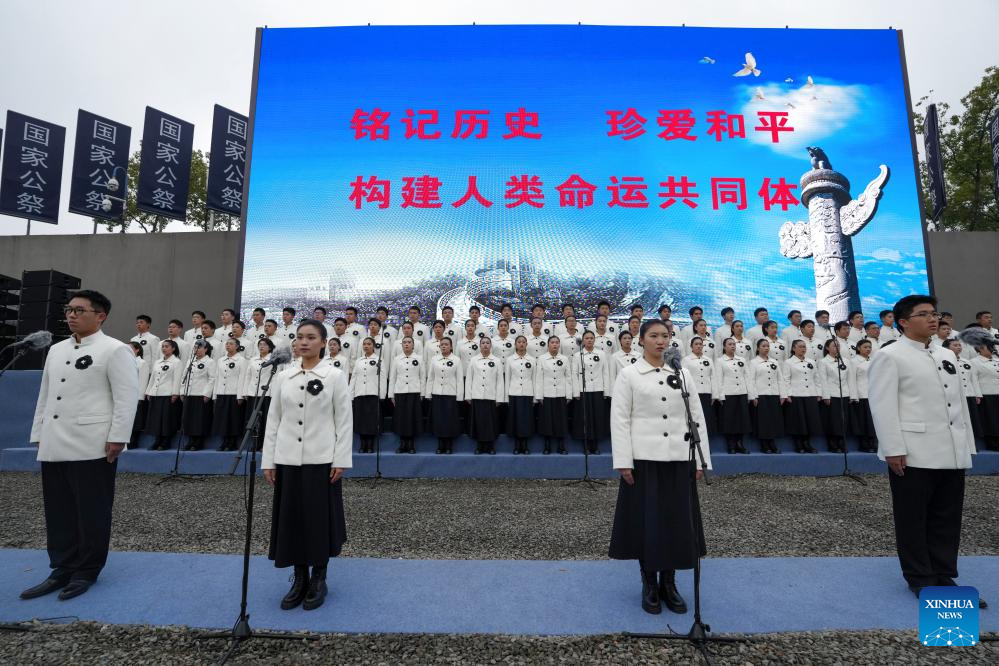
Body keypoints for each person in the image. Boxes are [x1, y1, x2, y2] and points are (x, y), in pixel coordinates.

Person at [22, 290, 139, 602]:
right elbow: (45, 396)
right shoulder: (57, 350)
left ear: (100, 316)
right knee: (58, 510)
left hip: (92, 443)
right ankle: (61, 566)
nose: (71, 315)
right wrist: (39, 434)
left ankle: (86, 569)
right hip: (55, 440)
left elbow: (126, 398)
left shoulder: (114, 350)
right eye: (69, 309)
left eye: (79, 310)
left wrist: (118, 437)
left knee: (92, 510)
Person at [869, 295, 985, 607]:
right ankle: (919, 577)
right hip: (914, 450)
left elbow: (958, 404)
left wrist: (966, 446)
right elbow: (882, 406)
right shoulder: (890, 356)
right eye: (923, 314)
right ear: (904, 322)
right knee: (913, 517)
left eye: (934, 314)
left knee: (947, 516)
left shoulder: (944, 352)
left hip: (950, 450)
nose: (932, 319)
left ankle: (943, 573)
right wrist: (892, 448)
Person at [609, 319, 710, 616]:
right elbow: (620, 420)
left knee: (676, 521)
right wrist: (624, 461)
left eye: (665, 336)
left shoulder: (682, 373)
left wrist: (701, 460)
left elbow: (696, 417)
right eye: (653, 336)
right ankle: (649, 583)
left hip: (679, 457)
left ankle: (670, 582)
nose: (660, 341)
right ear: (641, 340)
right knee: (648, 522)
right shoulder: (629, 375)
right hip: (645, 460)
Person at [262, 319, 351, 612]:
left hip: (321, 459)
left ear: (324, 342)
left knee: (318, 520)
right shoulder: (283, 377)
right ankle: (299, 577)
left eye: (311, 337)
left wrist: (340, 459)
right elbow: (273, 419)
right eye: (299, 337)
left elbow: (344, 421)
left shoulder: (334, 376)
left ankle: (319, 577)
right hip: (288, 458)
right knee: (293, 519)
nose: (303, 342)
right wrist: (269, 460)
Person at [572, 331, 612, 454]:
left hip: (598, 389)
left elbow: (605, 372)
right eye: (587, 338)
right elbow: (574, 374)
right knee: (585, 418)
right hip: (583, 390)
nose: (589, 340)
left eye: (591, 338)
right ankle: (586, 445)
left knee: (597, 417)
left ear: (594, 340)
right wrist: (576, 392)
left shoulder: (601, 354)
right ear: (583, 340)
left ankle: (595, 444)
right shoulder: (578, 355)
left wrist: (606, 390)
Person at [465, 337, 506, 454]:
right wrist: (468, 395)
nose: (485, 345)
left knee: (490, 422)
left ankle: (490, 446)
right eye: (483, 343)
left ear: (491, 346)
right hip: (477, 395)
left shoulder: (497, 361)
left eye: (488, 343)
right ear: (479, 345)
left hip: (491, 396)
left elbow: (500, 381)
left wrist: (499, 398)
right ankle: (480, 446)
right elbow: (469, 379)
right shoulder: (473, 360)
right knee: (479, 422)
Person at [782, 340, 824, 453]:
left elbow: (816, 378)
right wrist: (788, 394)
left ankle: (807, 443)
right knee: (798, 420)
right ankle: (799, 444)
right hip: (796, 394)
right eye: (800, 347)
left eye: (804, 347)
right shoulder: (788, 362)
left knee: (810, 420)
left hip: (810, 394)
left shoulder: (811, 361)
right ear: (793, 348)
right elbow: (786, 379)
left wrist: (819, 393)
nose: (803, 349)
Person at [748, 339, 788, 454]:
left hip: (774, 393)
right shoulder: (753, 362)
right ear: (758, 348)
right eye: (763, 346)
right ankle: (764, 444)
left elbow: (780, 379)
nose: (766, 348)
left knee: (774, 418)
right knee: (763, 420)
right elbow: (751, 380)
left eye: (767, 346)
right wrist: (753, 396)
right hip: (761, 394)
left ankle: (772, 442)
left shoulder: (774, 362)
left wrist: (783, 394)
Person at [534, 336, 573, 455]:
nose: (555, 345)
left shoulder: (564, 359)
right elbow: (539, 377)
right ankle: (547, 445)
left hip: (561, 393)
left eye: (557, 342)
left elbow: (568, 377)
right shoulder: (542, 358)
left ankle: (561, 446)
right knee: (547, 421)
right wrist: (539, 395)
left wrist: (569, 395)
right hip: (547, 393)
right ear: (548, 344)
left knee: (561, 420)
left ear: (559, 345)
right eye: (552, 342)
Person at [350, 337, 388, 454]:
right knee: (361, 420)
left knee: (371, 420)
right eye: (364, 344)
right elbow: (354, 378)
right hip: (360, 393)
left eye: (369, 344)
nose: (366, 346)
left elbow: (382, 378)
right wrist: (350, 394)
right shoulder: (359, 361)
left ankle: (370, 444)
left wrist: (382, 394)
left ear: (373, 346)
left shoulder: (379, 359)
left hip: (373, 393)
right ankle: (363, 444)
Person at [426, 337, 464, 454]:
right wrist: (428, 393)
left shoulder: (456, 360)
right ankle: (440, 444)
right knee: (439, 420)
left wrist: (459, 396)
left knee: (449, 420)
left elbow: (459, 380)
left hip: (450, 394)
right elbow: (431, 377)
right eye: (442, 344)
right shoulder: (434, 359)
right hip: (437, 393)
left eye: (446, 344)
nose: (443, 346)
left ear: (451, 347)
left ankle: (449, 445)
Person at [144, 339, 183, 450]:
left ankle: (165, 442)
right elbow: (152, 378)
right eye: (163, 346)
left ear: (173, 348)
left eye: (167, 346)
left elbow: (177, 378)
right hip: (156, 393)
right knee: (156, 419)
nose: (164, 348)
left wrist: (175, 393)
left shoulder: (176, 362)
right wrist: (148, 391)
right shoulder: (157, 362)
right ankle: (157, 440)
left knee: (166, 419)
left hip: (168, 393)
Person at [820, 339, 857, 453]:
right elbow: (823, 380)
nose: (837, 348)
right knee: (833, 420)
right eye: (834, 346)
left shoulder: (845, 361)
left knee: (843, 420)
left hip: (844, 394)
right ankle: (833, 443)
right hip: (832, 394)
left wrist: (853, 395)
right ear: (827, 348)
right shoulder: (823, 362)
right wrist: (826, 396)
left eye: (838, 346)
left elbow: (851, 379)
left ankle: (842, 442)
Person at [388, 336, 424, 454]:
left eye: (409, 342)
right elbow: (393, 377)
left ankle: (411, 444)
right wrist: (391, 395)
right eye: (404, 342)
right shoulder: (397, 359)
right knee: (402, 418)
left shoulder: (419, 358)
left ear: (413, 345)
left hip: (414, 391)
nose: (407, 344)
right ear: (401, 345)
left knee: (412, 418)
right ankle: (402, 444)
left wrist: (422, 393)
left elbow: (422, 377)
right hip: (400, 391)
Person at [243, 338, 281, 451]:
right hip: (253, 393)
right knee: (253, 420)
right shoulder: (253, 359)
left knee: (264, 420)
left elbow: (275, 377)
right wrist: (245, 391)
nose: (261, 346)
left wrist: (272, 393)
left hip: (266, 394)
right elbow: (248, 376)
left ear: (270, 347)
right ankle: (255, 443)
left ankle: (265, 443)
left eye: (264, 344)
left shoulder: (274, 360)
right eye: (260, 344)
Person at [716, 338, 752, 454]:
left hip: (741, 392)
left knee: (742, 420)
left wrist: (750, 395)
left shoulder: (742, 359)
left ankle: (740, 443)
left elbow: (747, 377)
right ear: (724, 347)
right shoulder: (720, 361)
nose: (732, 346)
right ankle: (731, 444)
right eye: (730, 344)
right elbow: (719, 379)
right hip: (728, 393)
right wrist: (721, 395)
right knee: (730, 420)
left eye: (734, 344)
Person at [213, 338, 248, 452]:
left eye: (231, 344)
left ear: (237, 346)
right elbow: (217, 377)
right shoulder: (221, 360)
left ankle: (232, 442)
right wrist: (215, 394)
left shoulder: (241, 360)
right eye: (227, 343)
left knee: (233, 419)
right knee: (222, 419)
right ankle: (224, 441)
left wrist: (240, 395)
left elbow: (242, 378)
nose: (228, 345)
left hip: (234, 393)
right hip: (222, 392)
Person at [505, 336, 538, 455]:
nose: (521, 344)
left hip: (528, 393)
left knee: (526, 420)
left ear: (527, 344)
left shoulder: (532, 360)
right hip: (514, 392)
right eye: (519, 342)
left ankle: (525, 445)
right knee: (516, 420)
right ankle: (517, 445)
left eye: (524, 342)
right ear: (515, 344)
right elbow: (507, 378)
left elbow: (534, 379)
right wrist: (506, 396)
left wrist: (535, 397)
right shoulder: (510, 360)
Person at [682, 336, 720, 438]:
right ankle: (694, 439)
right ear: (691, 346)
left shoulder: (708, 360)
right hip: (693, 394)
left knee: (706, 418)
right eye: (696, 344)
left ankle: (705, 442)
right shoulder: (686, 360)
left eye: (700, 344)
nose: (699, 346)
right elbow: (684, 378)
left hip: (707, 393)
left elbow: (713, 377)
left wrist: (714, 395)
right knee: (695, 417)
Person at [181, 340, 216, 451]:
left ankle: (198, 442)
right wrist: (182, 392)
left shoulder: (210, 362)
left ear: (205, 349)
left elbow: (212, 378)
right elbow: (184, 377)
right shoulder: (190, 361)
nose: (196, 349)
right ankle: (190, 440)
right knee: (189, 418)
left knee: (199, 419)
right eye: (195, 347)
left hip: (201, 394)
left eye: (199, 347)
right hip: (189, 393)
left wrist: (207, 393)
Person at [970, 339, 999, 451]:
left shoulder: (996, 360)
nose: (993, 349)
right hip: (987, 394)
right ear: (980, 349)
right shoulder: (974, 362)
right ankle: (993, 444)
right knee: (991, 420)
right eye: (990, 347)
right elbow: (974, 379)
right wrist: (978, 394)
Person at [851, 339, 878, 453]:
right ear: (858, 348)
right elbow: (852, 379)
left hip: (873, 394)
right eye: (865, 347)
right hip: (861, 394)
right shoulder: (854, 361)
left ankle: (873, 442)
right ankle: (864, 444)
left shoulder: (873, 360)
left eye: (869, 347)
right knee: (863, 421)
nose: (868, 349)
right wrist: (854, 396)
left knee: (873, 421)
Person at [128, 341, 150, 449]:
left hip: (136, 395)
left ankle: (134, 440)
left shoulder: (142, 363)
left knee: (135, 420)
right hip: (125, 395)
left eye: (130, 348)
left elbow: (143, 381)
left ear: (137, 350)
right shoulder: (124, 362)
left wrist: (140, 397)